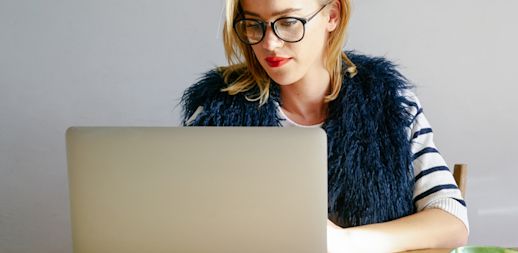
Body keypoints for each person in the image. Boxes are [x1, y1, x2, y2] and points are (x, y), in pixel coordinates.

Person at [180, 0, 468, 252]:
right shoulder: (216, 113)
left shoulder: (391, 103)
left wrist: (350, 244)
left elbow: (451, 218)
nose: (269, 43)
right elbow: (184, 222)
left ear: (332, 15)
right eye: (254, 24)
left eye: (289, 22)